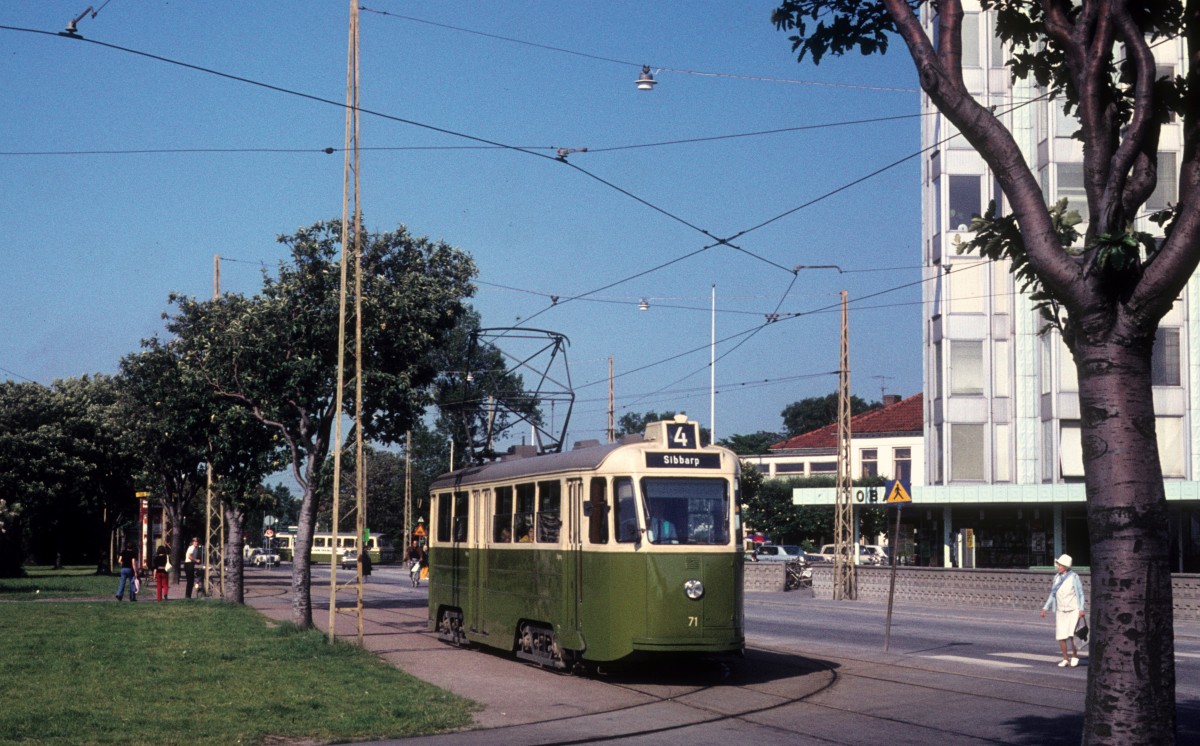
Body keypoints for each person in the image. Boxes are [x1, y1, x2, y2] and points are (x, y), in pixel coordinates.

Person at [1041, 553, 1086, 667]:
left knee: (1072, 635)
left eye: (1060, 565)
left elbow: (1080, 594)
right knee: (1061, 635)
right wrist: (1045, 607)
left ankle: (1075, 656)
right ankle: (1065, 658)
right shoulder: (1056, 577)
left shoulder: (1074, 577)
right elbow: (1053, 594)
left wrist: (1081, 609)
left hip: (1073, 610)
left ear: (1065, 566)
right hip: (1061, 610)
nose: (1057, 566)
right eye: (1058, 564)